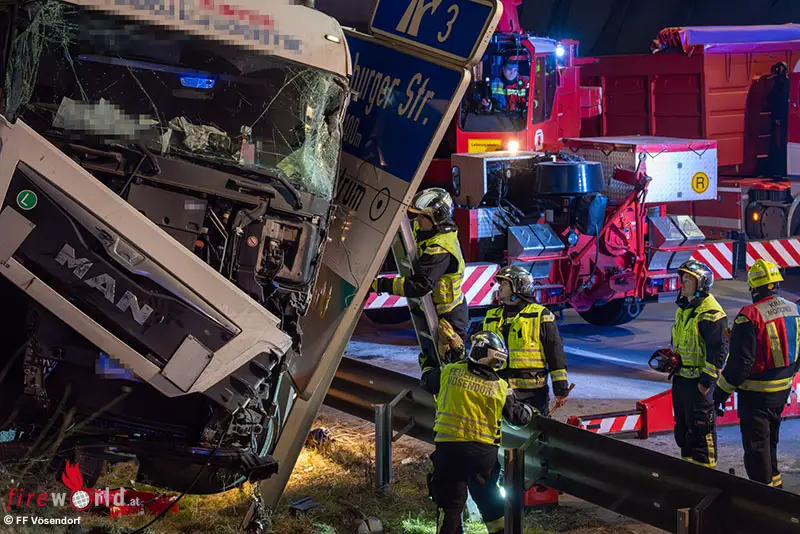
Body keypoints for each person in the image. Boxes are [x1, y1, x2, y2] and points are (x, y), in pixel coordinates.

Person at [422, 330, 533, 534]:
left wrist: (428, 363)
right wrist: (529, 411)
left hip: (449, 450)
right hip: (482, 455)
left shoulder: (450, 371)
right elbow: (518, 419)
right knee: (489, 501)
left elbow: (428, 382)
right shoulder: (500, 387)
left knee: (450, 504)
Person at [713, 259, 800, 488]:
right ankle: (776, 487)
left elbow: (740, 364)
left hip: (755, 396)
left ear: (754, 288)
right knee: (770, 442)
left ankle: (762, 498)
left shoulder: (749, 316)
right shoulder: (794, 309)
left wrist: (719, 393)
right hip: (781, 392)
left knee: (756, 448)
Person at [371, 188, 468, 385]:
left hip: (449, 318)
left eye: (422, 216)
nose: (416, 221)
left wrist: (381, 284)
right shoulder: (428, 231)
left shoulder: (440, 248)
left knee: (447, 373)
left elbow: (421, 285)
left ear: (435, 219)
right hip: (438, 311)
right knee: (430, 362)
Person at [481, 265, 569, 416]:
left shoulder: (540, 315)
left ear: (518, 286)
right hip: (498, 390)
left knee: (535, 428)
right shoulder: (491, 316)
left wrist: (561, 389)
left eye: (504, 283)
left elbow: (555, 353)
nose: (499, 287)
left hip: (532, 394)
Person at [670, 260, 728, 468]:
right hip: (682, 379)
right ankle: (688, 476)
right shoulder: (684, 307)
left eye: (689, 279)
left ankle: (706, 477)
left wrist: (706, 382)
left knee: (701, 433)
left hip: (698, 385)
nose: (683, 283)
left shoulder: (711, 313)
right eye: (683, 278)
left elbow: (718, 350)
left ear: (701, 283)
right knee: (684, 431)